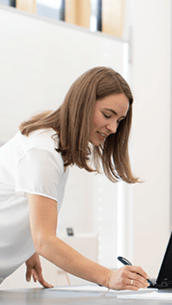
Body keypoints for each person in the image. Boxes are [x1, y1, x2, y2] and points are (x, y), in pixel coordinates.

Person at [0, 67, 149, 291]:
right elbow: (45, 240)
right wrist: (108, 277)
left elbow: (18, 199)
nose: (113, 127)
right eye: (107, 115)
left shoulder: (52, 143)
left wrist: (27, 248)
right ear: (83, 103)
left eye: (119, 120)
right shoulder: (43, 152)